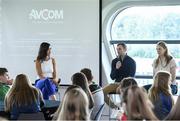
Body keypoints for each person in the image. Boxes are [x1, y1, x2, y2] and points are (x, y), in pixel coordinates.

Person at [103, 42, 136, 108]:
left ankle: (127, 111)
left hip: (127, 85)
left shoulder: (131, 61)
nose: (118, 51)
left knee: (127, 95)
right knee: (102, 93)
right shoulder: (114, 61)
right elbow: (112, 77)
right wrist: (116, 68)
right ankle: (115, 107)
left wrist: (122, 85)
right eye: (117, 49)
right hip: (116, 84)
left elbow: (131, 77)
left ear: (125, 49)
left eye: (120, 49)